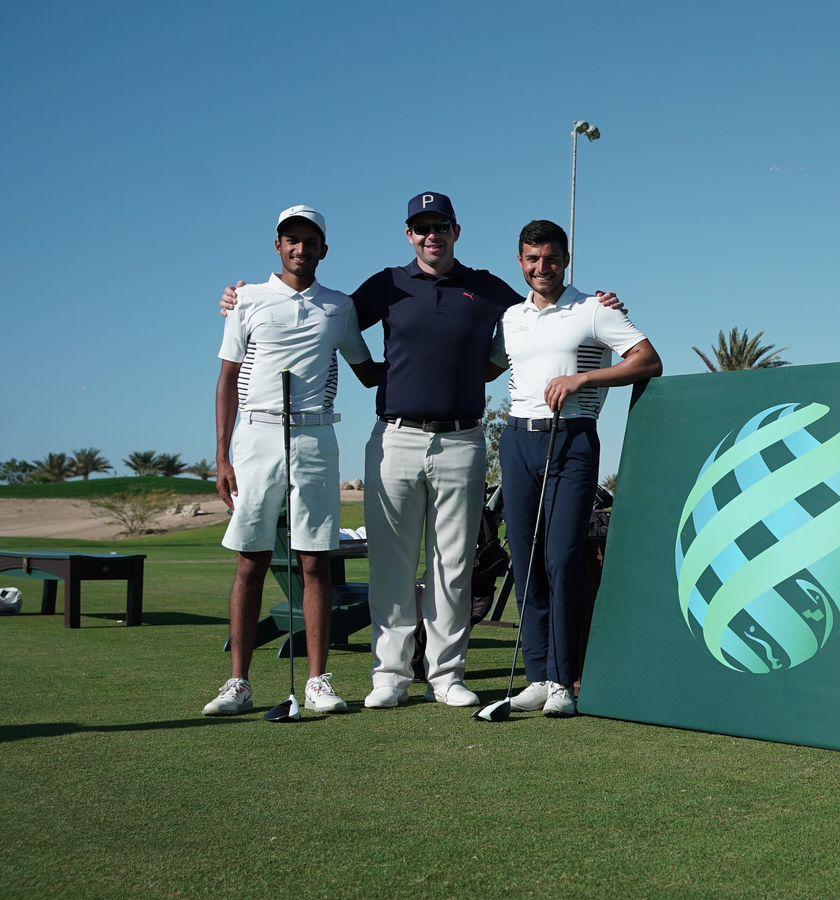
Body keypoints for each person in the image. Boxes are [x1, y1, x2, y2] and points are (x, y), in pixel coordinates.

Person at [221, 192, 622, 709]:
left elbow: (542, 308)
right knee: (392, 561)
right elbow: (323, 314)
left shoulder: (486, 287)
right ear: (410, 235)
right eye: (422, 228)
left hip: (463, 437)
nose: (432, 236)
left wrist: (600, 304)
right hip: (395, 437)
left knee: (452, 563)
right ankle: (389, 675)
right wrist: (242, 300)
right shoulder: (386, 285)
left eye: (441, 227)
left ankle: (446, 674)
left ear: (456, 232)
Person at [205, 205, 383, 716]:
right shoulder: (246, 300)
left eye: (310, 241)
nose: (301, 248)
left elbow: (367, 371)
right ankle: (238, 682)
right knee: (251, 560)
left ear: (324, 249)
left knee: (315, 561)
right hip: (257, 436)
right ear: (278, 245)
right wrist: (222, 456)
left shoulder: (339, 307)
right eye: (291, 240)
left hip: (315, 436)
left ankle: (318, 682)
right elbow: (227, 379)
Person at [488, 219, 661, 716]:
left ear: (566, 261)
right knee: (526, 560)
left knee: (562, 558)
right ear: (520, 262)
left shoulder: (594, 310)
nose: (541, 268)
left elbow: (648, 361)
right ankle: (537, 676)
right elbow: (488, 366)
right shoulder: (511, 318)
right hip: (517, 441)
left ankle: (563, 679)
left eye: (550, 259)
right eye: (532, 259)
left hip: (573, 438)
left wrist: (584, 379)